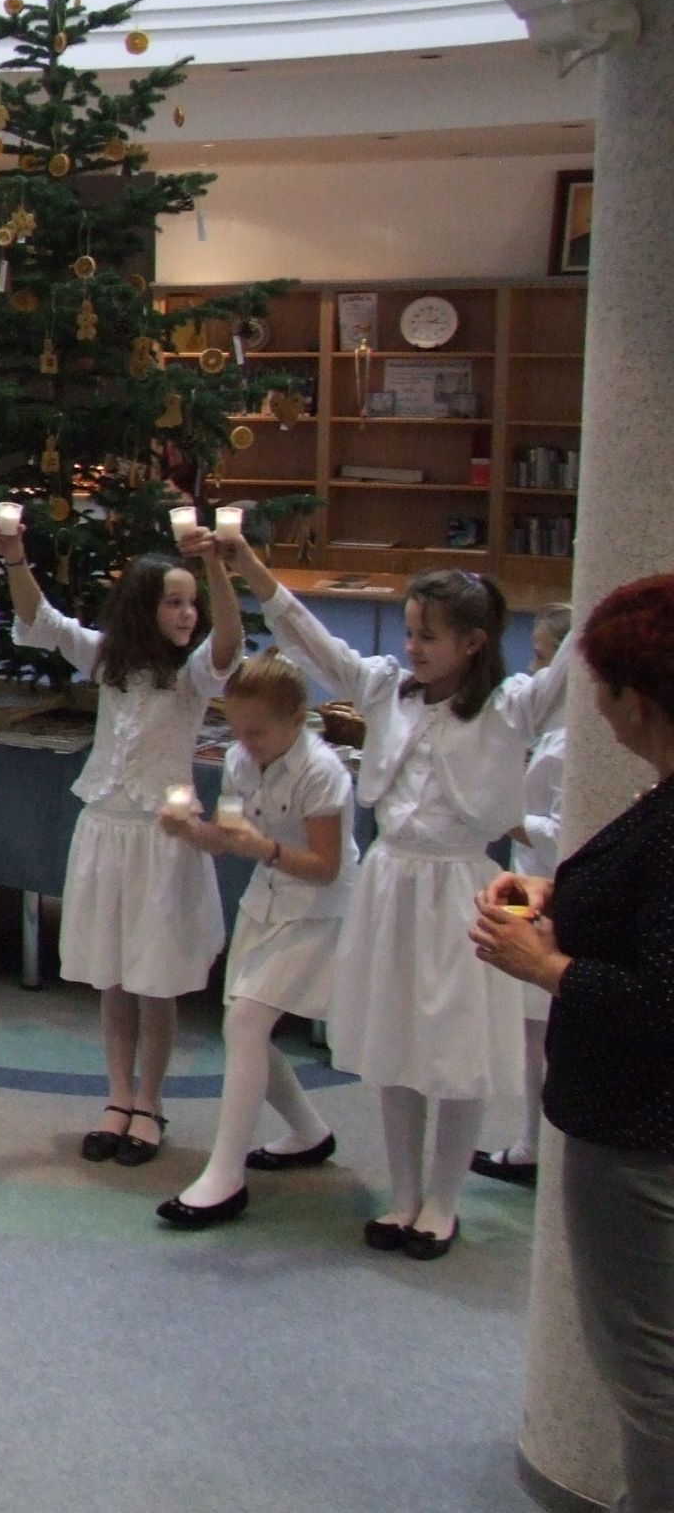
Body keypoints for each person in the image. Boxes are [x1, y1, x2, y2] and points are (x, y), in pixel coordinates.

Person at [232, 537, 568, 1257]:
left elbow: (573, 665)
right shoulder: (386, 688)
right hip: (391, 883)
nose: (412, 647)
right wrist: (251, 567)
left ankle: (443, 1201)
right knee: (396, 1041)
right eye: (410, 632)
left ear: (474, 644)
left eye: (427, 636)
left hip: (464, 887)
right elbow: (312, 642)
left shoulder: (510, 706)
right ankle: (404, 1195)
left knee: (455, 1046)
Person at [473, 573, 674, 1508]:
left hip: (642, 1139)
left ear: (639, 701)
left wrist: (546, 966)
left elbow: (662, 996)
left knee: (649, 1375)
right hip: (641, 1130)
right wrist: (569, 900)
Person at [5, 528, 244, 1165]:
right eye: (174, 603)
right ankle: (117, 1095)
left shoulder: (192, 675)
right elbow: (41, 619)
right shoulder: (108, 659)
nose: (187, 615)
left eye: (191, 603)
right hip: (106, 832)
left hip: (161, 841)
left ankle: (151, 1102)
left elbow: (228, 641)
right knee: (114, 978)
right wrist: (16, 558)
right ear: (144, 607)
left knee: (154, 982)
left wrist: (216, 568)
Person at [152, 651, 357, 1228]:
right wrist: (186, 830)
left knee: (245, 1023)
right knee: (243, 1028)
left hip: (319, 909)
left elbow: (326, 867)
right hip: (265, 900)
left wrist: (263, 849)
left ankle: (225, 1176)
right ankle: (309, 1132)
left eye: (258, 731)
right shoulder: (240, 760)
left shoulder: (323, 772)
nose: (245, 742)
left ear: (296, 718)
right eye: (237, 729)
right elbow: (227, 837)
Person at [478, 600, 576, 1187]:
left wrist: (511, 818)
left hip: (545, 887)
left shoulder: (570, 744)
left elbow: (564, 833)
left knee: (541, 1030)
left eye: (541, 658)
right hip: (525, 881)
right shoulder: (550, 732)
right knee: (529, 1028)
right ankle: (529, 1141)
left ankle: (537, 1147)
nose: (532, 670)